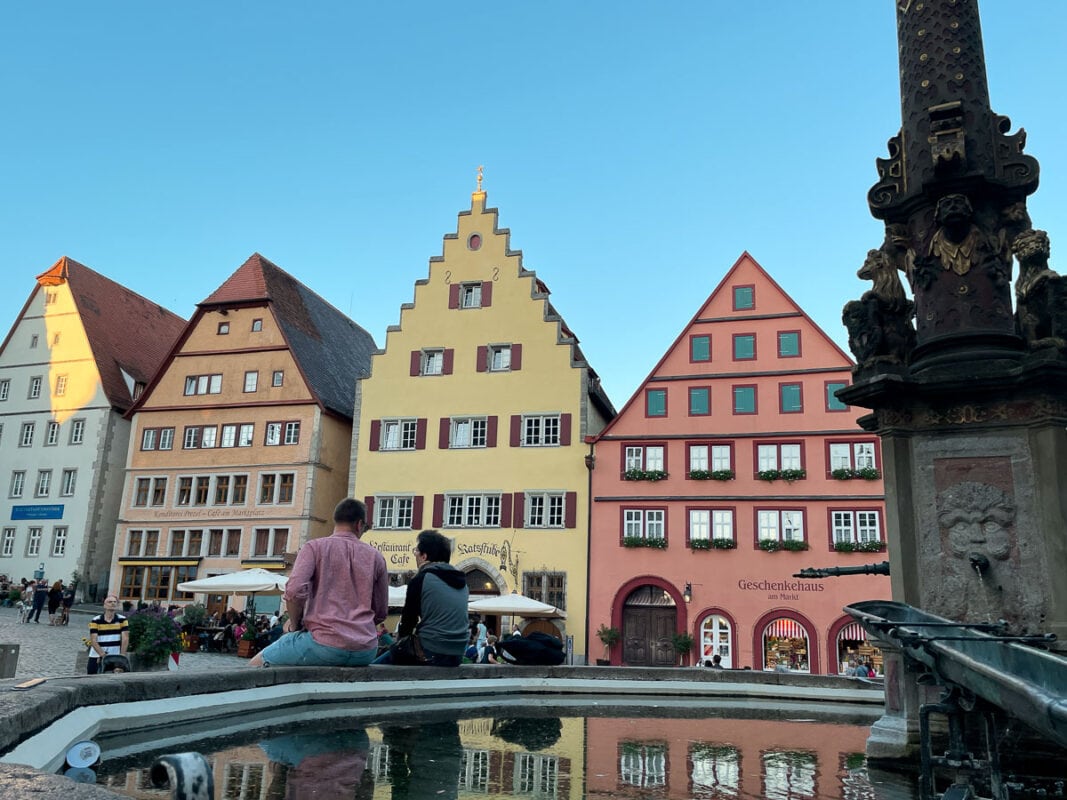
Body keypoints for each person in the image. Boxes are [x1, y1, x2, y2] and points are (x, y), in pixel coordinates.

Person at [251, 498, 388, 667]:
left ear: (335, 520)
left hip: (323, 644)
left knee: (256, 664)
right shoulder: (376, 557)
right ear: (360, 524)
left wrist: (295, 625)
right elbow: (381, 611)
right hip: (366, 651)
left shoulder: (314, 547)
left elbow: (293, 592)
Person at [374, 530, 469, 667]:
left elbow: (408, 621)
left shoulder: (422, 579)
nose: (415, 555)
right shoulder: (462, 582)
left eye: (416, 551)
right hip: (458, 654)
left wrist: (399, 644)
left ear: (424, 556)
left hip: (431, 650)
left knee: (378, 665)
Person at [87, 595, 129, 675]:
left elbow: (125, 638)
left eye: (114, 602)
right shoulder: (96, 620)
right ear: (104, 605)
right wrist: (103, 655)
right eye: (110, 602)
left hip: (115, 656)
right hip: (96, 655)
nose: (113, 603)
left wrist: (122, 656)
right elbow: (93, 640)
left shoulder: (122, 619)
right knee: (91, 678)